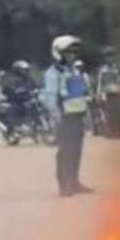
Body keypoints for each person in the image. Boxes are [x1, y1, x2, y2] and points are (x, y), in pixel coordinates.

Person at [43, 35, 93, 196]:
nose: (71, 55)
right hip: (64, 117)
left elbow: (80, 94)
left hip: (77, 116)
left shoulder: (75, 71)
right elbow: (50, 97)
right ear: (58, 53)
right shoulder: (53, 73)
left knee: (77, 150)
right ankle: (63, 185)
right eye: (68, 53)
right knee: (65, 152)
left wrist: (86, 114)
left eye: (73, 52)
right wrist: (55, 117)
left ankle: (74, 182)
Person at [96, 47, 120, 139]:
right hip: (107, 94)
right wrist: (99, 94)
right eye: (107, 57)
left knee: (118, 113)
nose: (109, 59)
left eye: (111, 56)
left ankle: (118, 132)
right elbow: (100, 82)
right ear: (105, 58)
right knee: (108, 114)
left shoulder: (117, 69)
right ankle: (110, 132)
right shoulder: (102, 70)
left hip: (118, 93)